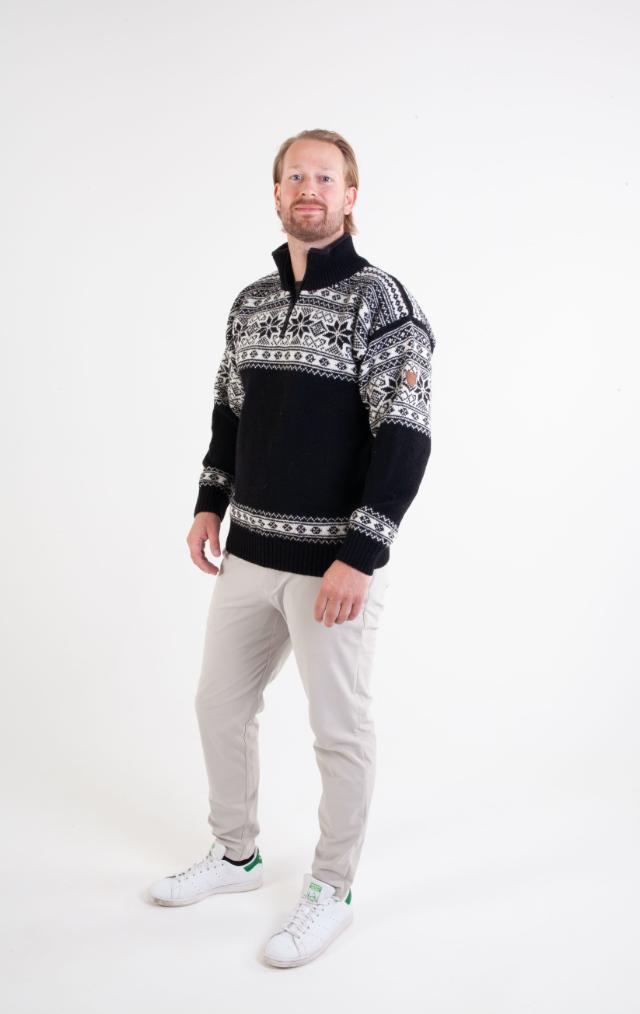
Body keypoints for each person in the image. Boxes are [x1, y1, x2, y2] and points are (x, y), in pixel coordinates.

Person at [148, 128, 437, 968]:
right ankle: (236, 854)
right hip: (248, 555)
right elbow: (229, 410)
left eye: (325, 177)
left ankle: (332, 889)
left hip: (333, 568)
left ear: (351, 196)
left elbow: (406, 435)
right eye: (295, 176)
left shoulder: (382, 303)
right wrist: (209, 503)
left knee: (337, 730)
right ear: (277, 194)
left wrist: (362, 552)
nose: (309, 189)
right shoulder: (249, 303)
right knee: (219, 704)